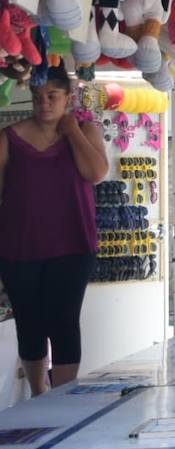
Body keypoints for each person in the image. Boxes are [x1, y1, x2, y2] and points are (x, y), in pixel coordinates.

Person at [0, 66, 107, 397]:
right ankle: (38, 391)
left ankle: (62, 397)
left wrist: (72, 132)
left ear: (68, 98)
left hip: (73, 245)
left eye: (52, 96)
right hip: (20, 246)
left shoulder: (86, 131)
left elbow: (96, 173)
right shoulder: (9, 137)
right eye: (37, 97)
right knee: (29, 323)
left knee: (64, 321)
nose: (44, 104)